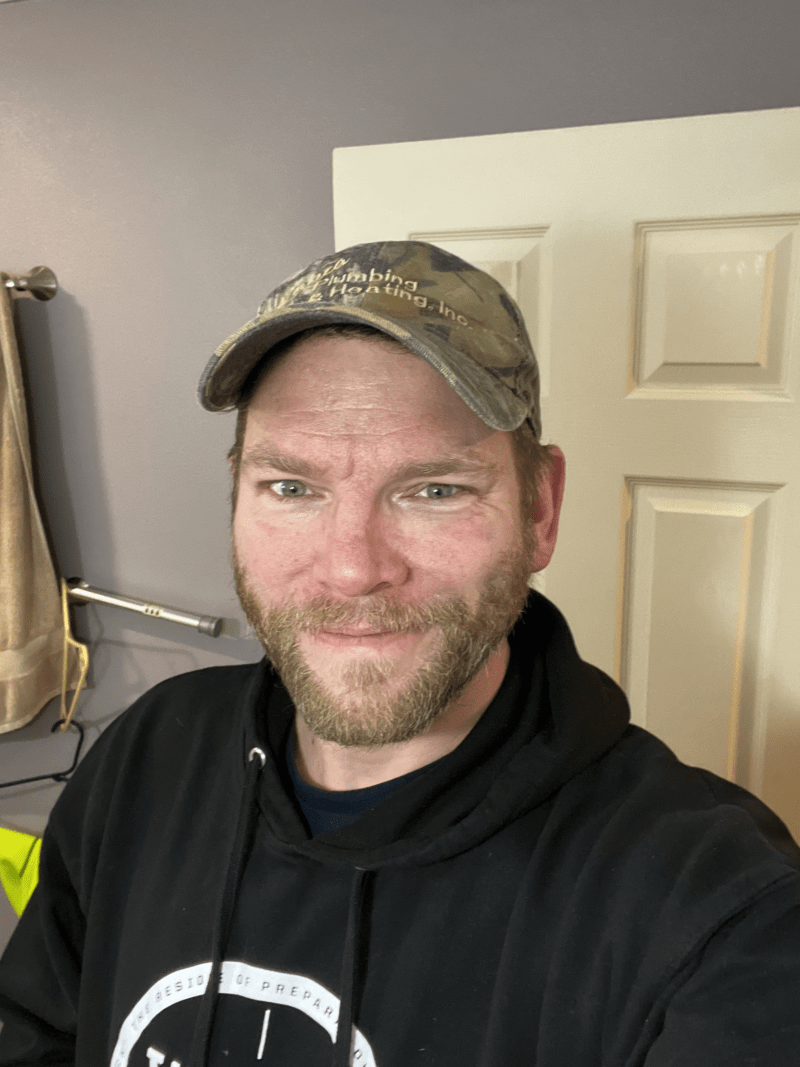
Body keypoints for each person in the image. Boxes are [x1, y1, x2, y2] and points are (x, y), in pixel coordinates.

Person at [0, 241, 798, 1067]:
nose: (353, 568)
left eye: (435, 490)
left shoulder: (719, 907)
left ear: (541, 511)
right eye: (292, 487)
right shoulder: (150, 752)